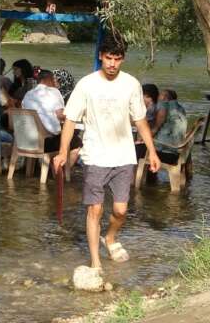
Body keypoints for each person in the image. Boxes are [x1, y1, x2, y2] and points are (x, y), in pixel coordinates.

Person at [52, 34, 160, 272]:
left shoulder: (131, 84)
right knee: (95, 209)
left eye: (117, 59)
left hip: (124, 155)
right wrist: (62, 153)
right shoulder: (86, 85)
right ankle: (96, 262)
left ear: (123, 59)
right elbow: (70, 121)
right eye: (108, 58)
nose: (112, 64)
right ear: (100, 56)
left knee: (121, 210)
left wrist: (152, 151)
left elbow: (140, 120)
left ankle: (109, 237)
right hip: (95, 155)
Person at [22, 69, 81, 175]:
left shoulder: (28, 94)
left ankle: (42, 170)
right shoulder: (54, 92)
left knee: (57, 135)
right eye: (54, 79)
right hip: (45, 143)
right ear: (48, 79)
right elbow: (61, 115)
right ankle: (60, 173)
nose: (55, 82)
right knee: (77, 143)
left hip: (26, 141)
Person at [153, 89, 189, 167]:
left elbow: (155, 128)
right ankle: (152, 177)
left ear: (164, 97)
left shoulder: (164, 106)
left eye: (160, 95)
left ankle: (143, 178)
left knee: (138, 150)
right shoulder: (180, 109)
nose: (157, 96)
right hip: (177, 151)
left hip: (166, 153)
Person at [136, 83, 161, 160]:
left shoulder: (151, 109)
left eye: (141, 96)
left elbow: (145, 126)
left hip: (148, 144)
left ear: (148, 96)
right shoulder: (155, 106)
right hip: (151, 141)